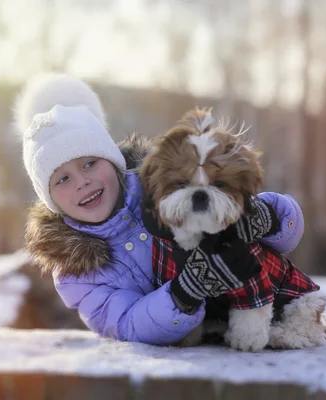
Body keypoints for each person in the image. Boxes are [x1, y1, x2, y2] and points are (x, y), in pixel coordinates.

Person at [16, 73, 305, 345]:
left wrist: (265, 216)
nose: (82, 182)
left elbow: (288, 237)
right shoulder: (74, 272)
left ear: (113, 160)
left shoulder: (168, 187)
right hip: (197, 353)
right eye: (63, 179)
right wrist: (185, 292)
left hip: (260, 312)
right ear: (51, 200)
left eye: (90, 163)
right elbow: (126, 323)